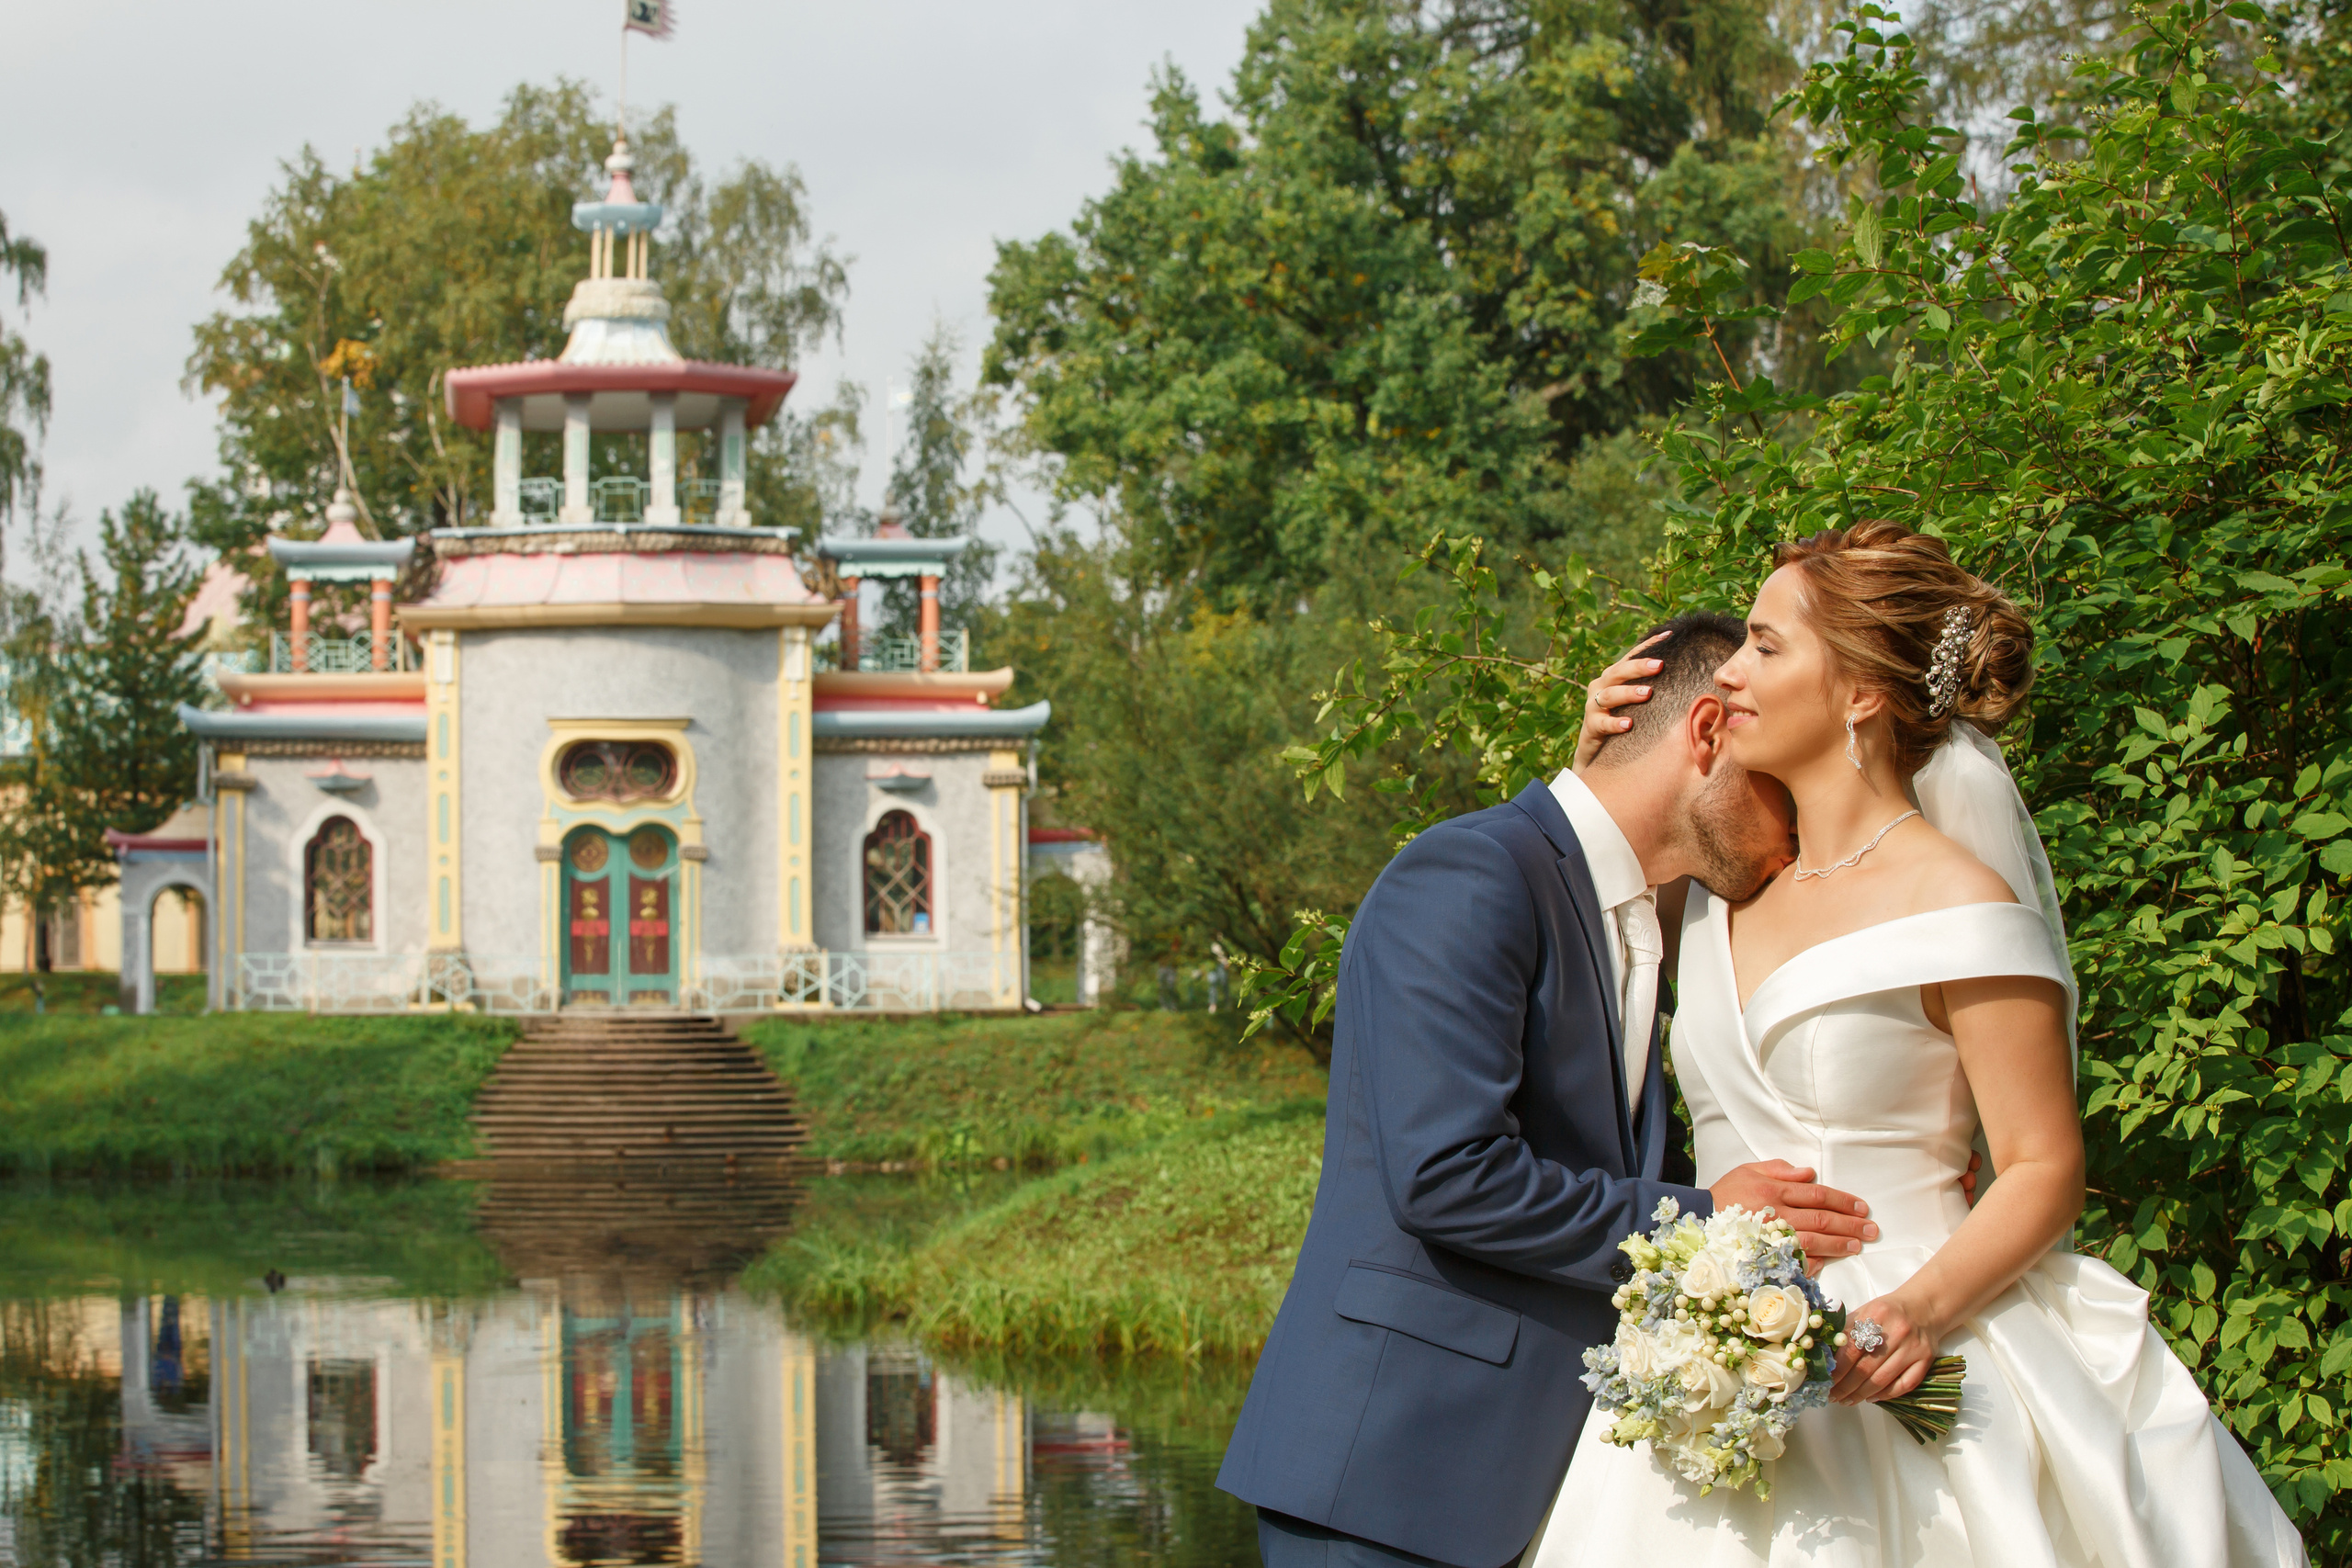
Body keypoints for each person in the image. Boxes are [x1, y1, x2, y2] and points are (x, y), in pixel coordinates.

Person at [1528, 520, 2303, 1566]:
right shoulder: (1719, 887)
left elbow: (2042, 1165)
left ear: (1857, 693)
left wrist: (1914, 1313)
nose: (1731, 674)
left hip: (1903, 1342)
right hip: (1696, 1353)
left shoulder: (1959, 902)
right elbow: (1595, 922)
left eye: (1766, 645)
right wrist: (1597, 763)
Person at [1217, 611, 1894, 1568]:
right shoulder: (1467, 875)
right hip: (1389, 1473)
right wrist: (1701, 1219)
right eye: (1784, 790)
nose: (1796, 832)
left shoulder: (1634, 916)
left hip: (1536, 1478)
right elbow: (1448, 1175)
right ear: (1706, 733)